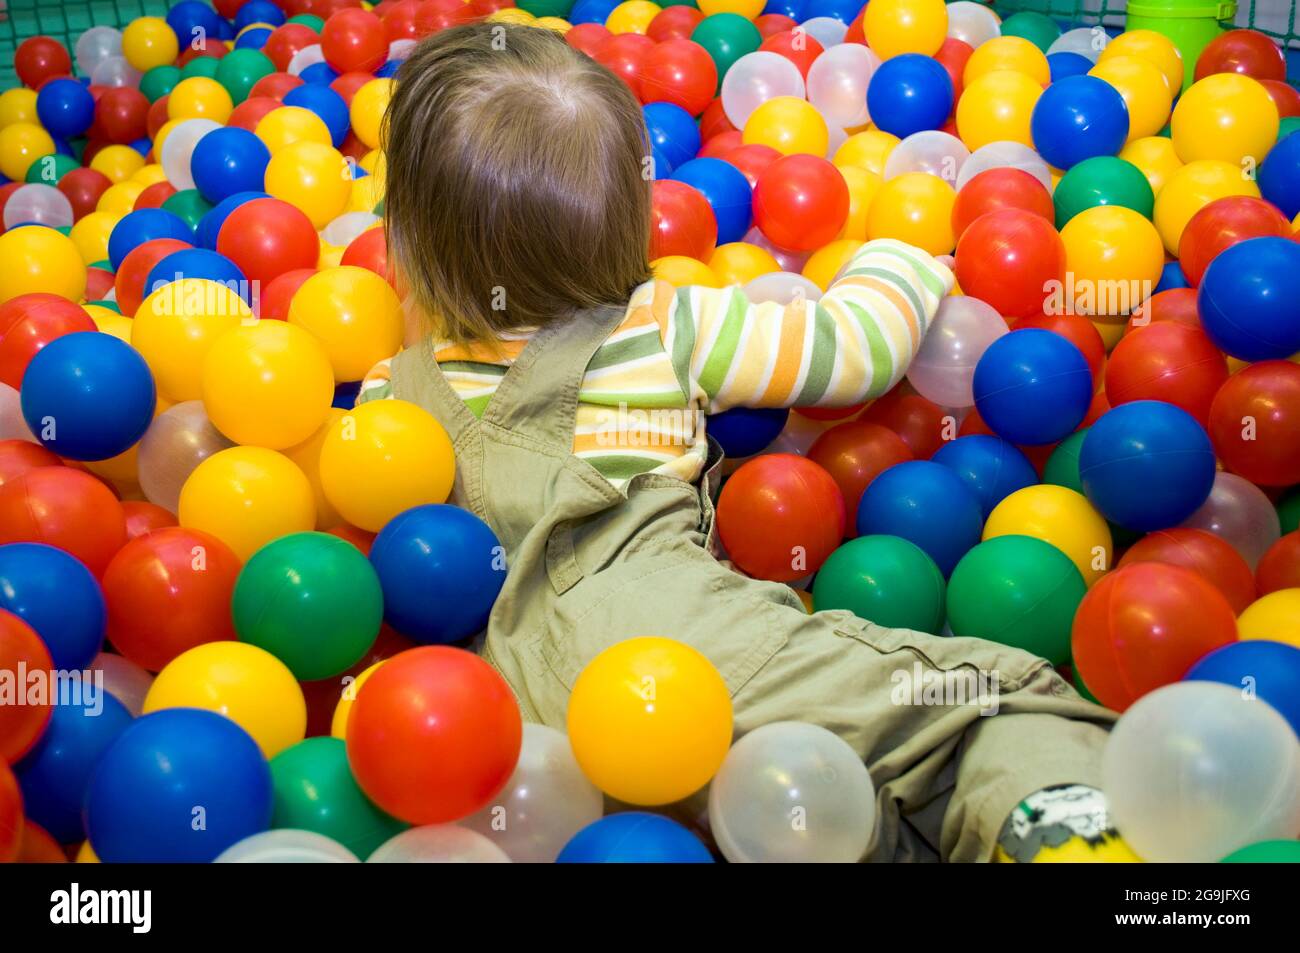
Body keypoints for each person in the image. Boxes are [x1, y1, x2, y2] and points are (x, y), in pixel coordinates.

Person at [359, 22, 1126, 862]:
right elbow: (851, 354)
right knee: (973, 713)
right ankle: (1077, 844)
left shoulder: (393, 390)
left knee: (821, 819)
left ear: (409, 236)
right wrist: (902, 260)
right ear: (631, 215)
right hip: (679, 649)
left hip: (499, 728)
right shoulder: (661, 324)